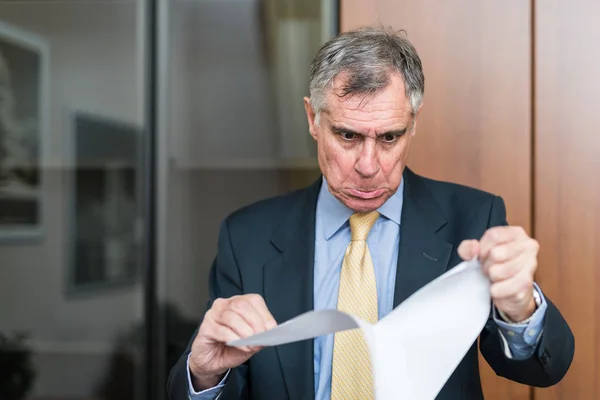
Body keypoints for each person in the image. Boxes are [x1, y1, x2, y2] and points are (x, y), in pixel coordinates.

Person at [167, 26, 574, 400]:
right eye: (347, 135)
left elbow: (542, 371)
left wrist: (521, 309)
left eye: (389, 137)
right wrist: (202, 376)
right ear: (313, 119)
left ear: (413, 124)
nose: (367, 165)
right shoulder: (247, 237)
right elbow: (220, 379)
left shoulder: (474, 218)